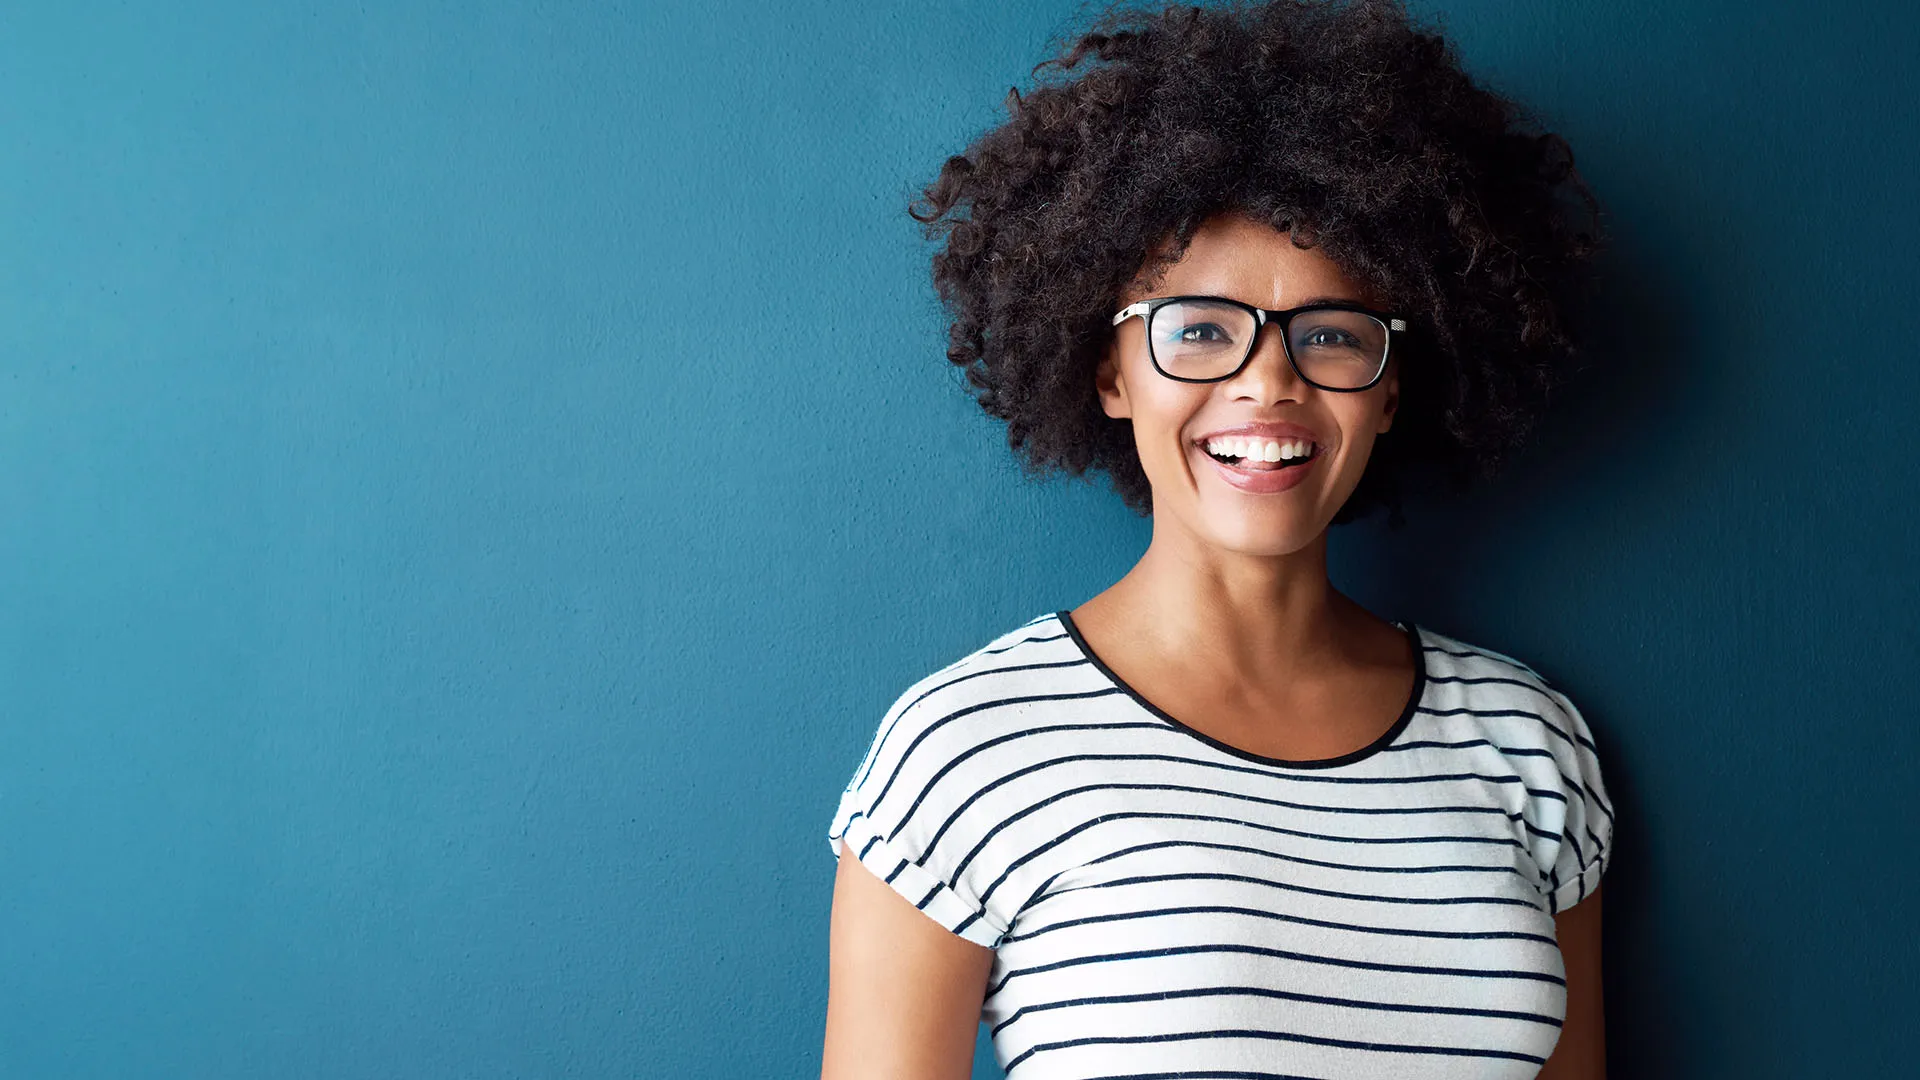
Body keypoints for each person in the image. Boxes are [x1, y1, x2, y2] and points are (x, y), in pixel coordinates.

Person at [821, 1, 1613, 1077]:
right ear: (1107, 373)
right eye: (1198, 329)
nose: (1269, 381)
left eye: (1332, 334)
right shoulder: (967, 747)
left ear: (1390, 391)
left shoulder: (1528, 744)